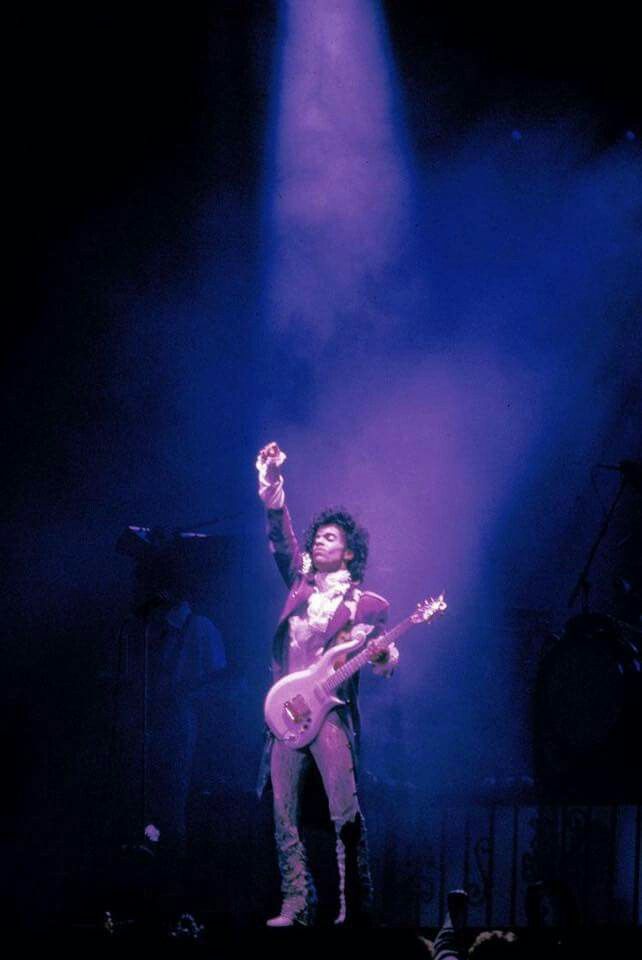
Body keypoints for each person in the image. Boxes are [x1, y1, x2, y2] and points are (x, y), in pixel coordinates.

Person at [256, 441, 399, 927]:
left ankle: (353, 905)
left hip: (331, 713)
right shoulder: (298, 586)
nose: (318, 542)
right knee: (283, 813)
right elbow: (281, 537)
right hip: (287, 712)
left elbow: (382, 654)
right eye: (316, 537)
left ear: (349, 552)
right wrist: (273, 481)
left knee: (345, 812)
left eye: (330, 538)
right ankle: (298, 903)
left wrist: (384, 653)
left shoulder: (368, 604)